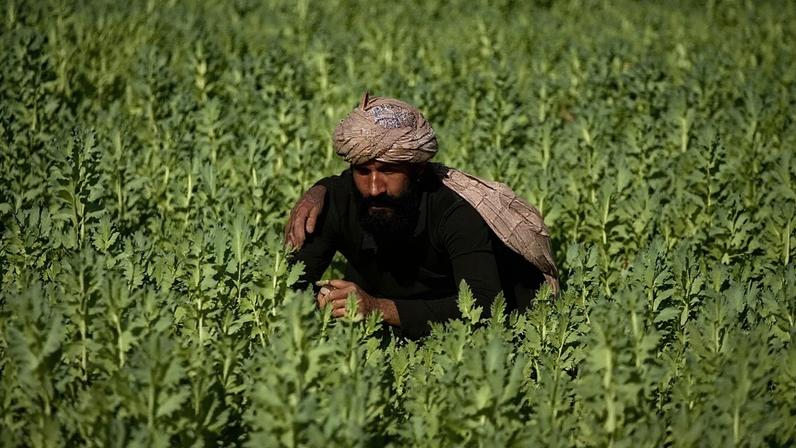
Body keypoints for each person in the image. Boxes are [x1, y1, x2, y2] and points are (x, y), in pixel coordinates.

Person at [286, 92, 559, 339]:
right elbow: (290, 285)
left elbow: (484, 306)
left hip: (470, 339)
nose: (374, 188)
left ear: (418, 170)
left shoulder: (455, 211)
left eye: (389, 170)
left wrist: (377, 308)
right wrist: (323, 301)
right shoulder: (332, 202)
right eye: (363, 171)